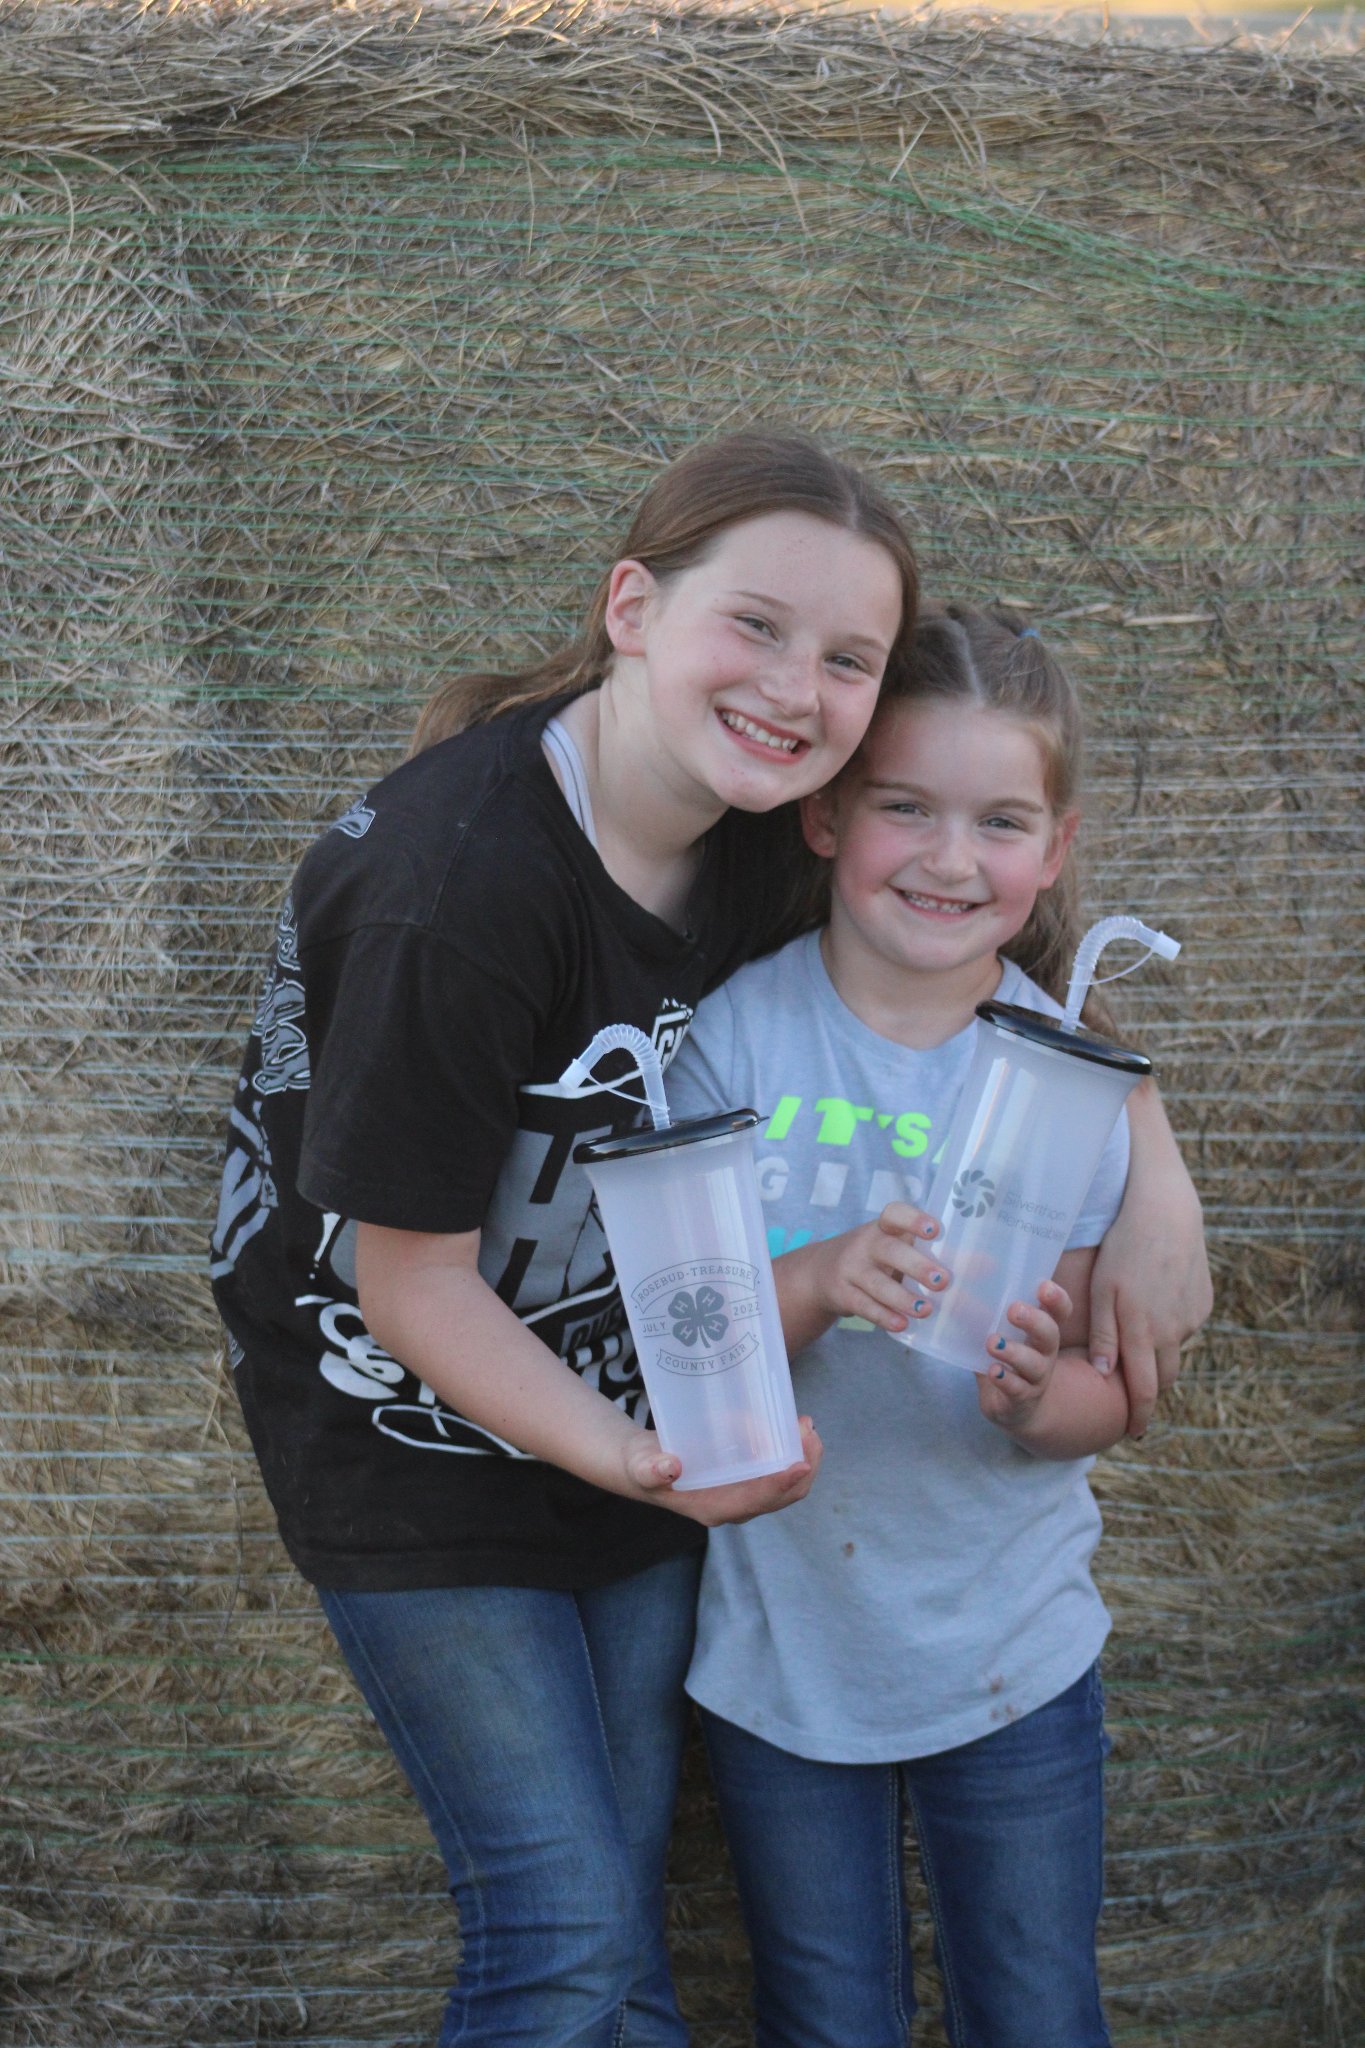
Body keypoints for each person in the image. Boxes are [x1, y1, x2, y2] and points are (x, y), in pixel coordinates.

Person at [208, 422, 1207, 2048]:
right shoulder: (460, 888)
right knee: (561, 1938)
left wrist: (1150, 1157)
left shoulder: (773, 827)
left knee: (622, 1957)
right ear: (629, 609)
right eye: (753, 626)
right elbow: (410, 1283)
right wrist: (635, 1452)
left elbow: (990, 978)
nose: (794, 689)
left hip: (654, 1419)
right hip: (430, 1441)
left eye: (846, 660)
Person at [666, 602, 1197, 2048]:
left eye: (999, 821)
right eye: (905, 807)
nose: (952, 860)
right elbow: (681, 1350)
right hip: (784, 1655)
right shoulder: (734, 1042)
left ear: (1056, 847)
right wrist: (816, 1277)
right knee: (826, 2016)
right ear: (828, 816)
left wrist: (1039, 1404)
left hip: (1009, 1648)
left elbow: (1110, 1395)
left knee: (1031, 2008)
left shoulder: (1069, 1092)